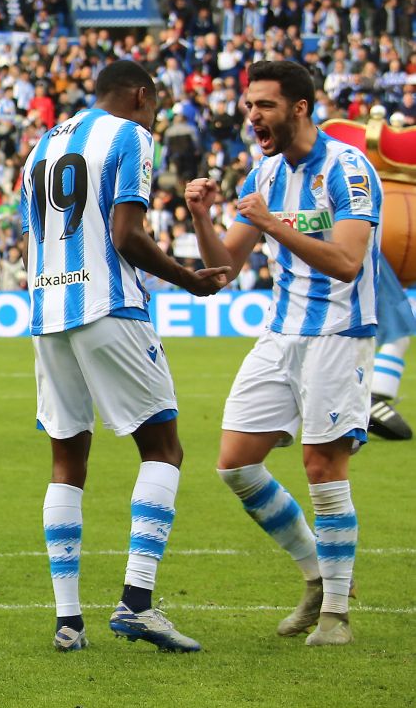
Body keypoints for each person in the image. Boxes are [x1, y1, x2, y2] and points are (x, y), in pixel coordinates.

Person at [21, 59, 228, 653]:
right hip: (108, 306)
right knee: (164, 448)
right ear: (141, 96)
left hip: (47, 313)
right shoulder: (131, 135)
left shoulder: (42, 146)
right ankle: (137, 602)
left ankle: (68, 621)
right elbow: (126, 235)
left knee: (67, 459)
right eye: (155, 106)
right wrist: (188, 278)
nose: (154, 118)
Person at [186, 60, 379, 647]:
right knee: (236, 464)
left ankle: (336, 616)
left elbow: (347, 263)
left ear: (300, 108)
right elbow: (223, 268)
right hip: (280, 332)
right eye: (249, 105)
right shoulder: (266, 172)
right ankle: (318, 572)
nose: (253, 116)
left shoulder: (348, 168)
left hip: (339, 332)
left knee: (323, 467)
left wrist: (272, 224)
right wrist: (201, 217)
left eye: (265, 105)